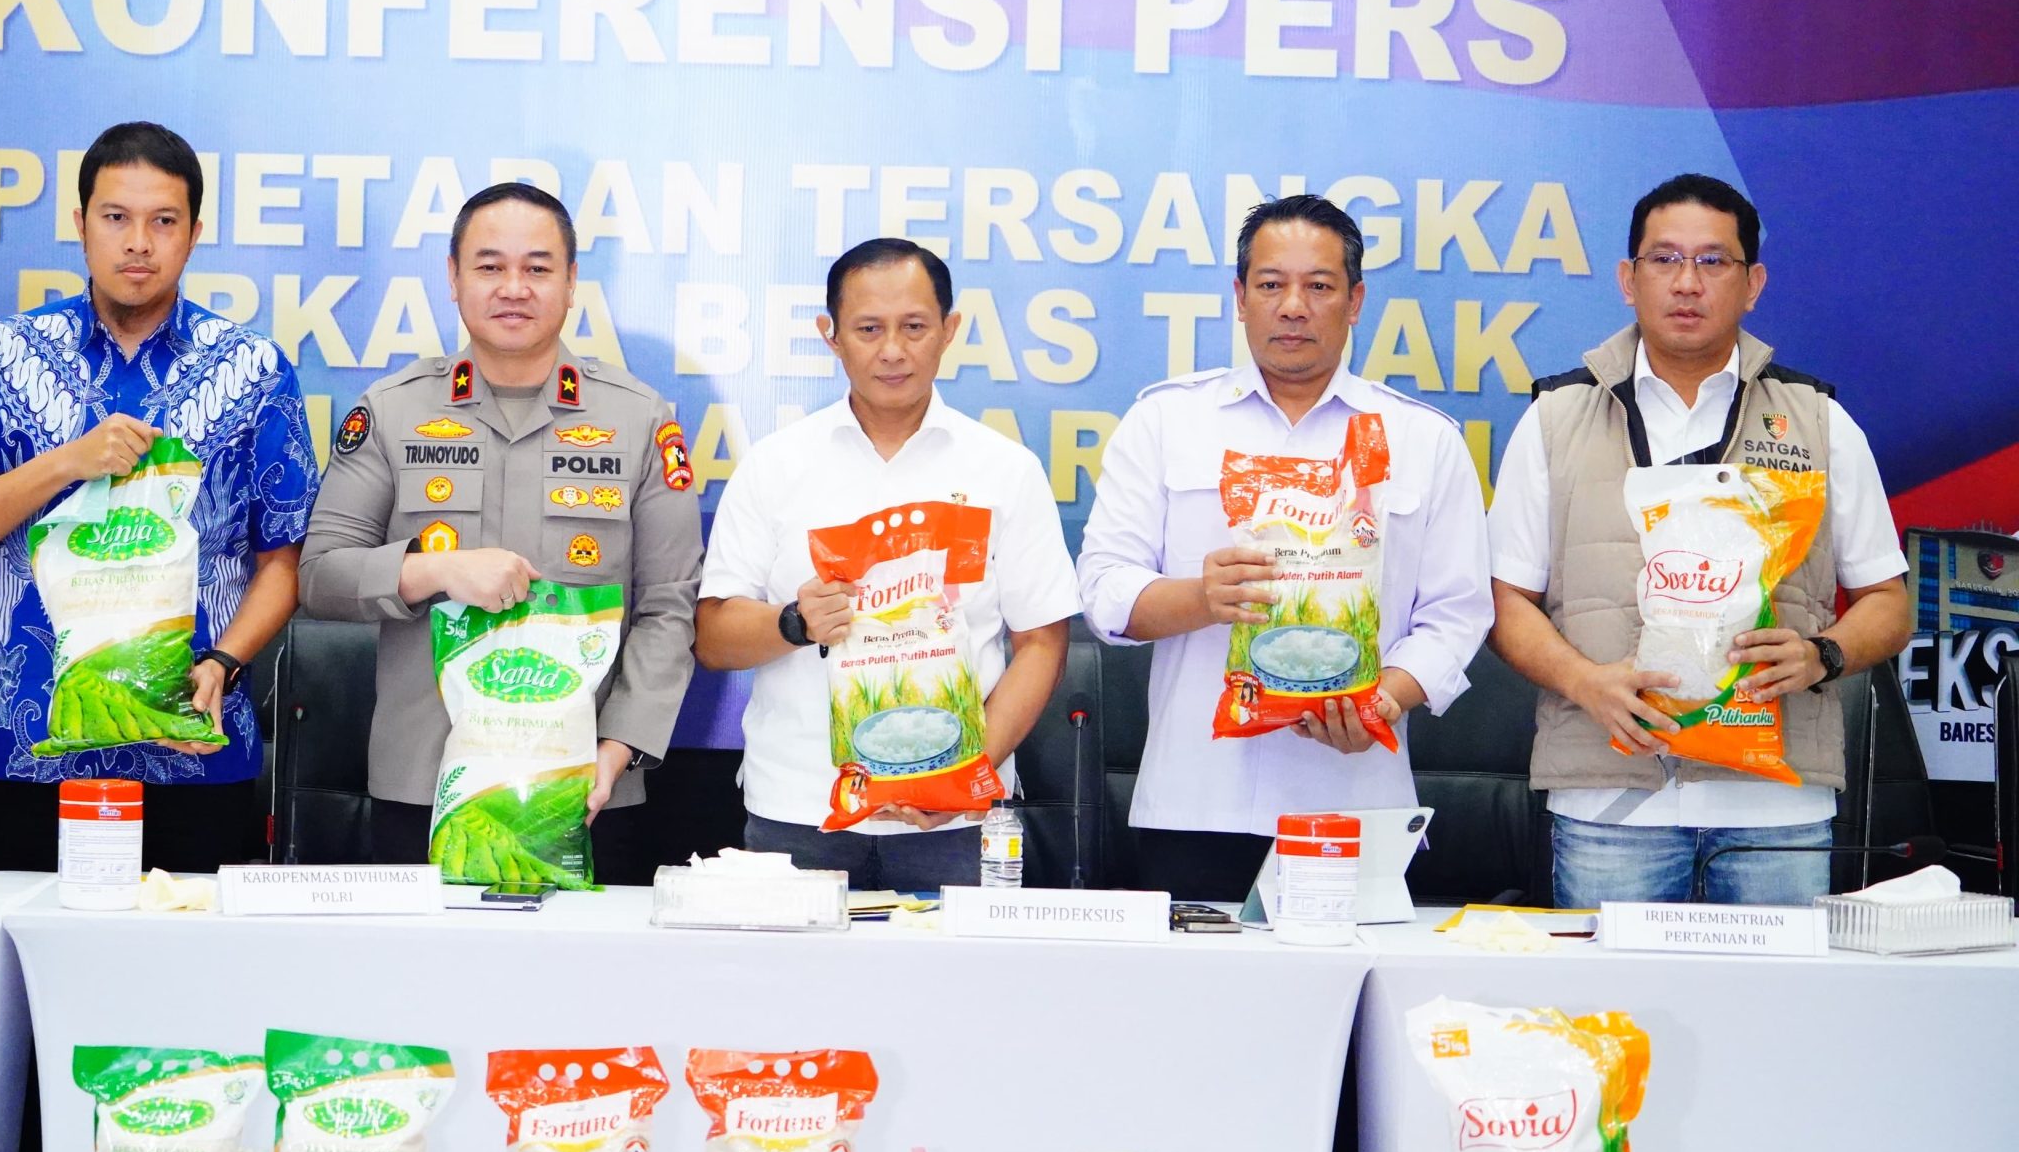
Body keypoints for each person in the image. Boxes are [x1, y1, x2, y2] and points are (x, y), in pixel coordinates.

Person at [1487, 172, 1913, 907]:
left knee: (1776, 989)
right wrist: (1585, 682)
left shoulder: (1817, 421)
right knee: (1610, 990)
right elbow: (1503, 602)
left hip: (1775, 809)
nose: (1687, 282)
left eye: (1713, 261)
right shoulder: (1555, 419)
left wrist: (1823, 654)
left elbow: (1889, 601)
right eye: (1665, 259)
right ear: (1628, 279)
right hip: (1610, 803)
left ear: (1753, 284)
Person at [0, 122, 313, 872]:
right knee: (20, 949)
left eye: (163, 221)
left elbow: (284, 561)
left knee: (187, 948)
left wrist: (224, 662)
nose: (138, 243)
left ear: (194, 234)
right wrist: (65, 463)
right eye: (116, 217)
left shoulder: (254, 368)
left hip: (193, 750)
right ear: (80, 224)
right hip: (26, 746)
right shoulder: (2, 356)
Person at [1077, 194, 1492, 901]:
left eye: (1319, 286)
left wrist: (1386, 700)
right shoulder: (1166, 421)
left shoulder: (1422, 439)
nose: (1293, 306)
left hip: (1356, 803)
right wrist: (1201, 598)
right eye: (1271, 284)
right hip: (1196, 802)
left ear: (1355, 301)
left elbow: (1457, 614)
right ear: (1240, 298)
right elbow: (1103, 591)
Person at [299, 181, 699, 879]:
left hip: (585, 790)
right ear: (453, 278)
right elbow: (320, 574)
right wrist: (434, 570)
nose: (514, 287)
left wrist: (618, 750)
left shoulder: (639, 420)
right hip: (424, 784)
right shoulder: (392, 411)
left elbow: (669, 606)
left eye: (538, 268)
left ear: (571, 283)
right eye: (490, 266)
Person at [694, 238, 1077, 888]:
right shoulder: (776, 465)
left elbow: (1042, 642)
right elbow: (713, 637)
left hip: (956, 823)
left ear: (950, 330)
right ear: (831, 335)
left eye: (914, 327)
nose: (893, 350)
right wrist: (794, 623)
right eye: (869, 329)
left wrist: (960, 776)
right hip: (800, 811)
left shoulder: (1004, 470)